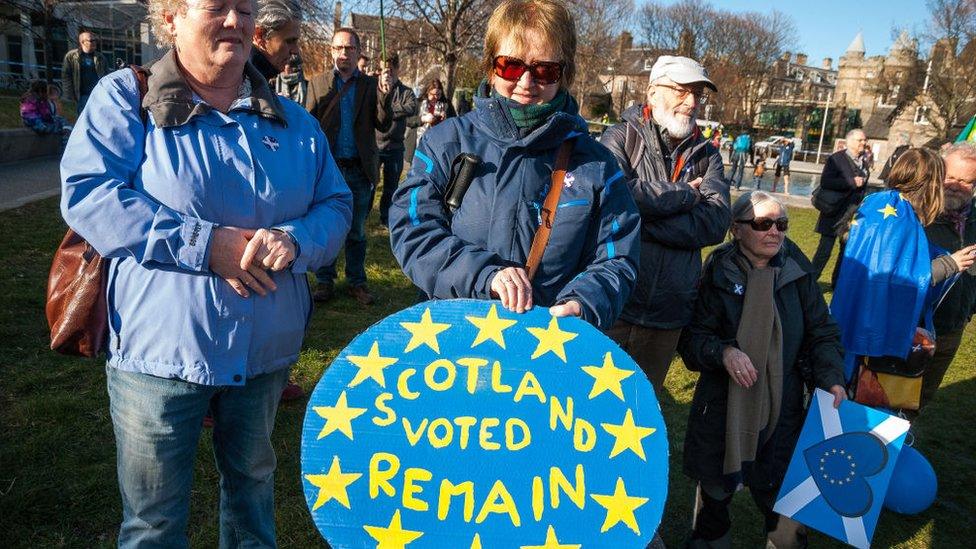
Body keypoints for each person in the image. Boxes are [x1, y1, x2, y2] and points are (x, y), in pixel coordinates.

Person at [59, 0, 353, 545]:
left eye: (245, 8)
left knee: (251, 501)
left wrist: (295, 241)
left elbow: (335, 205)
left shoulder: (294, 120)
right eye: (217, 6)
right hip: (161, 356)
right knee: (153, 522)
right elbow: (91, 195)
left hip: (263, 354)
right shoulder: (128, 99)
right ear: (170, 17)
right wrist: (203, 245)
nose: (236, 21)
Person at [389, 0, 640, 330]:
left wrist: (583, 304)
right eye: (510, 65)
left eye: (544, 69)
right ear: (491, 67)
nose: (525, 81)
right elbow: (412, 229)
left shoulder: (596, 164)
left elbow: (617, 258)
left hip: (547, 344)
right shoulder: (446, 141)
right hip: (451, 333)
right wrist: (485, 275)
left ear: (565, 74)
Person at [679, 191, 847, 548]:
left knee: (783, 496)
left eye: (781, 224)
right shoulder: (717, 270)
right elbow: (693, 339)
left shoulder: (797, 269)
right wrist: (723, 353)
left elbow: (823, 332)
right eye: (762, 224)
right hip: (722, 406)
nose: (775, 232)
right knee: (714, 496)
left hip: (783, 405)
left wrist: (832, 379)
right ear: (736, 230)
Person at [598, 55, 730, 390]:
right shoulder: (619, 138)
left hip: (668, 312)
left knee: (642, 411)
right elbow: (612, 198)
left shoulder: (708, 155)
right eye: (681, 91)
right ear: (653, 92)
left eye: (697, 94)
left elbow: (714, 223)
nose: (692, 102)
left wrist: (640, 219)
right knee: (586, 405)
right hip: (614, 299)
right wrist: (686, 195)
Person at [832, 148, 975, 384]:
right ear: (932, 183)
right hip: (870, 330)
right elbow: (899, 279)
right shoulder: (902, 218)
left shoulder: (877, 202)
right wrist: (950, 263)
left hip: (849, 312)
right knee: (860, 395)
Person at [306, 27, 393, 305]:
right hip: (327, 170)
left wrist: (385, 93)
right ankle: (324, 280)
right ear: (331, 50)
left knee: (356, 231)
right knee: (327, 228)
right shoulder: (318, 84)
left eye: (349, 48)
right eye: (338, 48)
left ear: (358, 52)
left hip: (358, 170)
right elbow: (308, 126)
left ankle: (357, 281)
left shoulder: (370, 84)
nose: (343, 53)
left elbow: (383, 123)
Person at [917, 143, 976, 412]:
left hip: (952, 328)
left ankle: (904, 445)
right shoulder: (919, 215)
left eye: (965, 181)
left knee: (922, 398)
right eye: (950, 177)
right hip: (914, 327)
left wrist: (968, 310)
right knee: (890, 393)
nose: (955, 186)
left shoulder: (973, 220)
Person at [810, 128, 868, 286]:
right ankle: (810, 283)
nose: (864, 143)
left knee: (846, 251)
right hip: (833, 212)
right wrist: (850, 182)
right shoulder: (836, 159)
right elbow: (826, 182)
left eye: (864, 140)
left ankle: (837, 284)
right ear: (849, 141)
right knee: (824, 251)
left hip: (851, 214)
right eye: (860, 140)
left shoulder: (864, 161)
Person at [375, 53, 418, 228]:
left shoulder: (405, 91)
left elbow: (411, 108)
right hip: (375, 145)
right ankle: (363, 213)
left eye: (391, 70)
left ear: (397, 70)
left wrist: (390, 105)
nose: (388, 74)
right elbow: (373, 110)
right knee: (371, 183)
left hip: (395, 146)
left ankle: (385, 217)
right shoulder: (373, 89)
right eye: (385, 70)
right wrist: (383, 94)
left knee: (391, 186)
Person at [251, 0, 302, 82]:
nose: (296, 50)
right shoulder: (242, 83)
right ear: (259, 36)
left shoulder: (256, 79)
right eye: (289, 41)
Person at [61, 30, 108, 112]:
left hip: (97, 95)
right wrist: (69, 94)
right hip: (81, 96)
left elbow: (106, 76)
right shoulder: (71, 56)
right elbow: (66, 76)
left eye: (95, 40)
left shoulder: (101, 57)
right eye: (91, 40)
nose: (94, 42)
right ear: (82, 42)